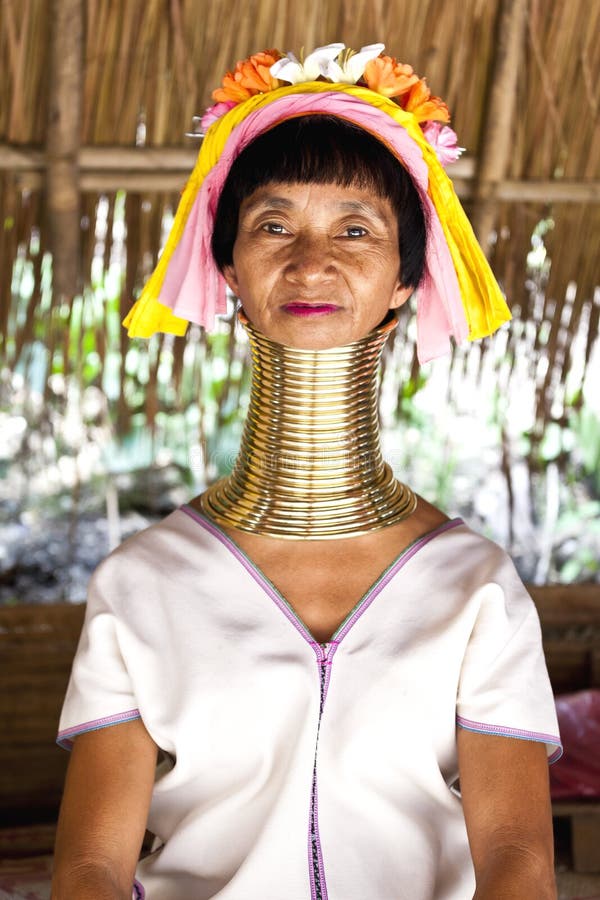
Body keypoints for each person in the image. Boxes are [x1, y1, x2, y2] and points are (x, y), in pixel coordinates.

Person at [51, 44, 561, 900]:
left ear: (406, 279)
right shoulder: (143, 584)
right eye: (274, 225)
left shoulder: (475, 587)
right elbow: (92, 867)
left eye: (355, 228)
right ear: (229, 272)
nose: (311, 261)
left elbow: (518, 861)